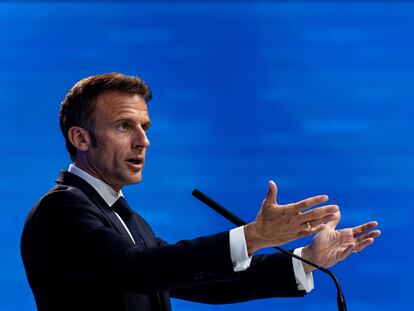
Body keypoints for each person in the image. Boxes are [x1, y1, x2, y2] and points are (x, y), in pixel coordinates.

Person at [21, 73, 381, 311]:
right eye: (123, 126)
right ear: (80, 137)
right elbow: (138, 270)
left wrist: (304, 261)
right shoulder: (61, 210)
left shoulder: (131, 222)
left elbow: (205, 284)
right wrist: (252, 236)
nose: (143, 140)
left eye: (145, 126)